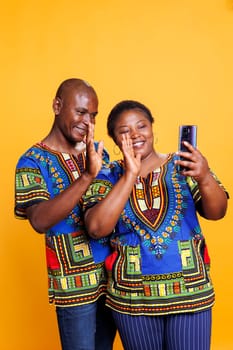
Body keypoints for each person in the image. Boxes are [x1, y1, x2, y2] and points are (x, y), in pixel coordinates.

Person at [83, 100, 228, 350]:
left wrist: (203, 175)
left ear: (152, 128)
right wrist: (130, 174)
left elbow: (217, 212)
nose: (135, 134)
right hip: (132, 299)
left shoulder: (183, 165)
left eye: (142, 126)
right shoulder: (107, 175)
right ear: (115, 140)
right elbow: (96, 228)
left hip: (190, 293)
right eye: (124, 131)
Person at [14, 78, 116, 350]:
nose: (88, 122)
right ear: (57, 106)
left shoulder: (98, 155)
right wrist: (87, 176)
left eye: (93, 115)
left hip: (113, 283)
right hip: (74, 287)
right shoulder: (32, 161)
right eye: (81, 112)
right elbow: (39, 220)